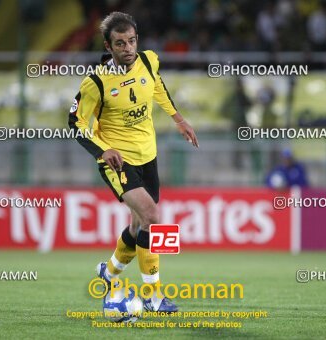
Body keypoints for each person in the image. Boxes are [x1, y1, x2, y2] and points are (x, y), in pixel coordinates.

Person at [68, 12, 198, 312]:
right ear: (108, 46)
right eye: (120, 43)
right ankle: (153, 297)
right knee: (153, 216)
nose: (127, 48)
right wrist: (103, 151)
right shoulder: (96, 83)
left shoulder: (149, 61)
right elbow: (75, 123)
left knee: (140, 224)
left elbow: (156, 87)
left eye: (131, 41)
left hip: (148, 156)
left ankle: (109, 272)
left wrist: (178, 118)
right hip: (117, 161)